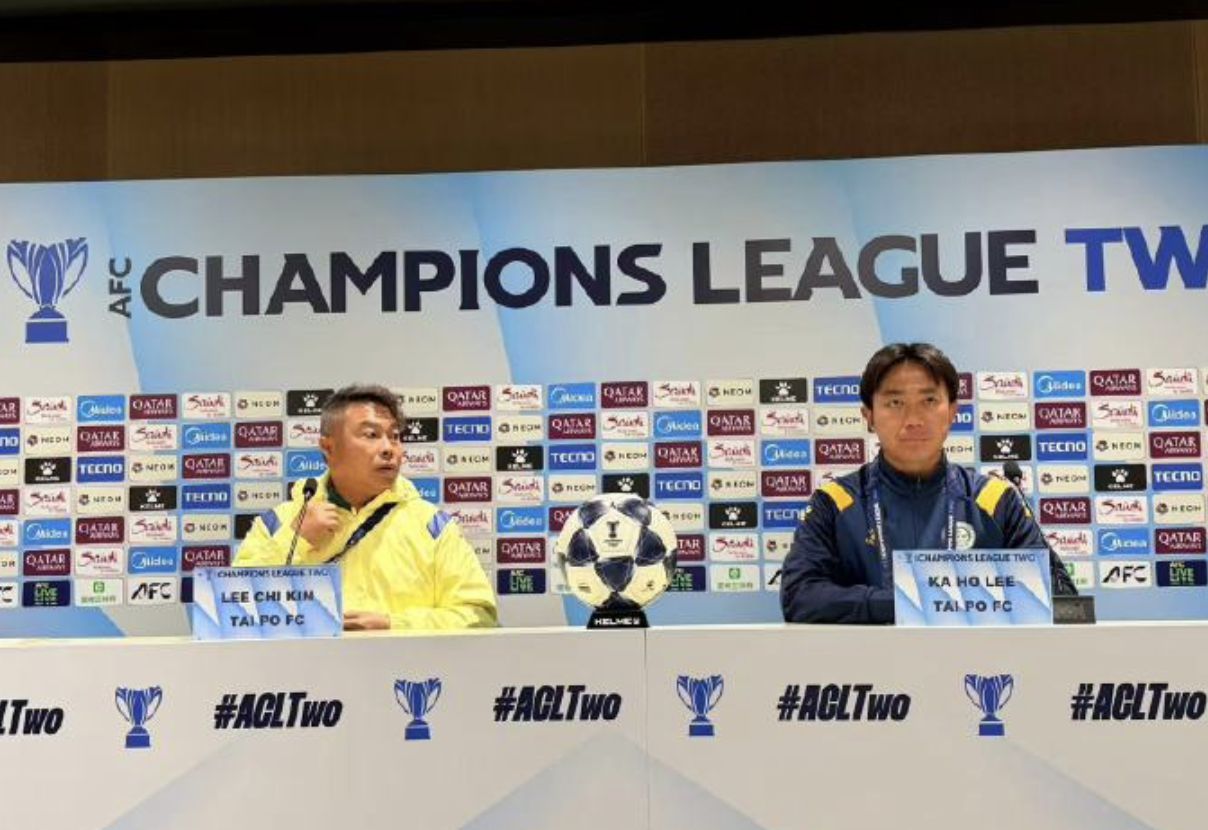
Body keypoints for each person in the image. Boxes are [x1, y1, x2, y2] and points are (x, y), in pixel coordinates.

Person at [780, 342, 1077, 624]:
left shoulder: (996, 500)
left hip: (974, 658)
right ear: (868, 416)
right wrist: (911, 603)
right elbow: (800, 596)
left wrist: (931, 602)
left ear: (952, 412)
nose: (913, 419)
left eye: (929, 401)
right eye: (895, 402)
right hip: (870, 661)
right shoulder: (834, 502)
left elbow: (1062, 598)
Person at [235, 383, 498, 630]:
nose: (388, 448)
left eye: (395, 437)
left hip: (405, 663)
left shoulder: (432, 526)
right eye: (371, 435)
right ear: (328, 447)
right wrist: (297, 537)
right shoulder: (279, 523)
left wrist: (393, 625)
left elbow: (480, 616)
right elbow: (234, 608)